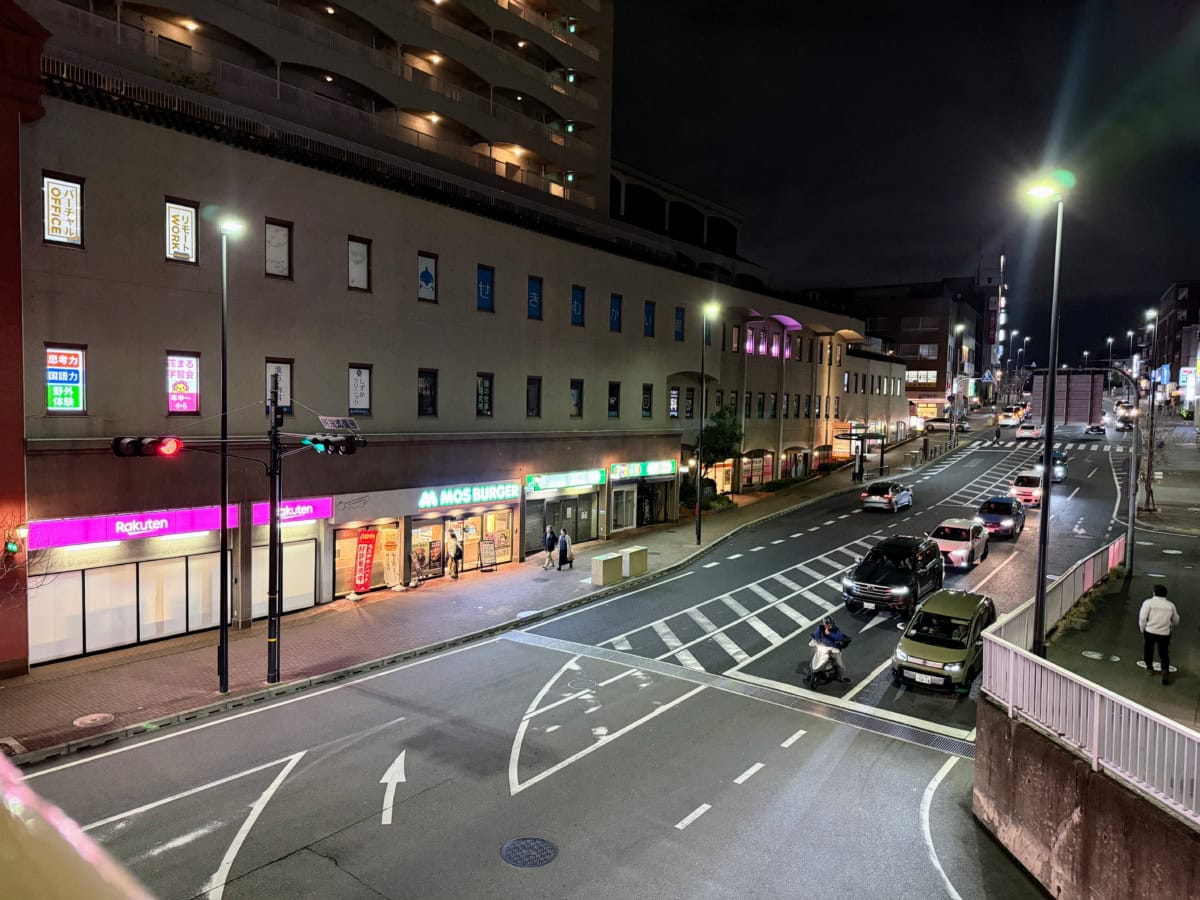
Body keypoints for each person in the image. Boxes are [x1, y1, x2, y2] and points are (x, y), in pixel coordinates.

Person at [1139, 584, 1180, 684]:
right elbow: (1176, 619)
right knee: (1164, 652)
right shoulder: (1170, 605)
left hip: (1150, 631)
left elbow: (1142, 618)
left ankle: (1149, 668)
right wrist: (1171, 626)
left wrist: (1142, 628)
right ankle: (1164, 670)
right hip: (1165, 633)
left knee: (1148, 650)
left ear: (1154, 593)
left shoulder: (1148, 603)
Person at [811, 617, 850, 683]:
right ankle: (813, 670)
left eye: (829, 624)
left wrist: (830, 634)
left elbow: (839, 637)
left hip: (832, 649)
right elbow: (816, 635)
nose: (827, 625)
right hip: (823, 647)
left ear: (832, 623)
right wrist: (818, 642)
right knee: (816, 657)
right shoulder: (820, 628)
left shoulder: (836, 630)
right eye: (826, 624)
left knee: (839, 664)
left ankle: (842, 677)